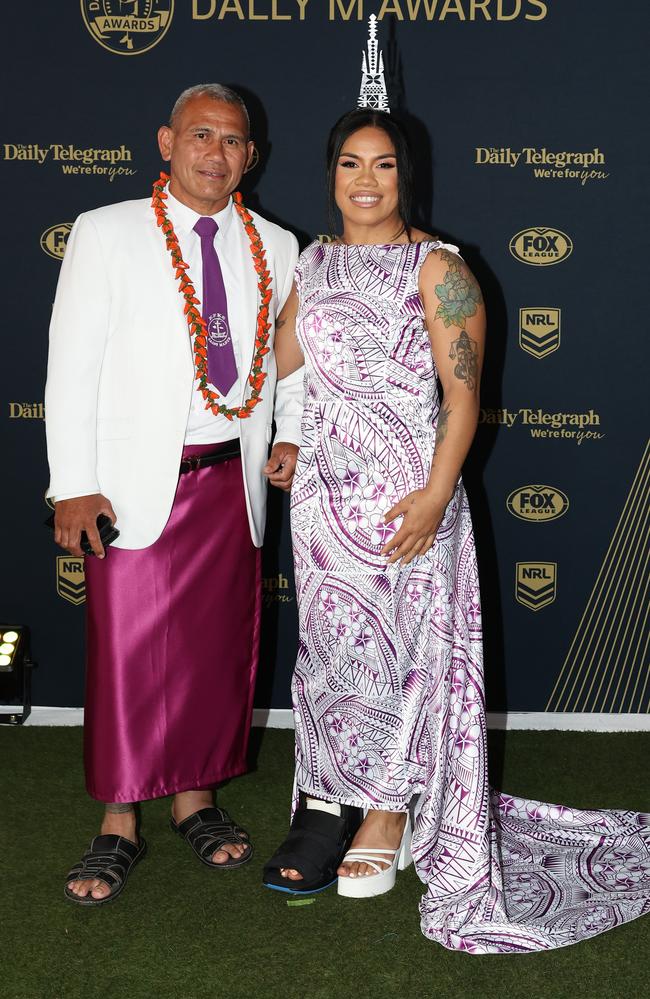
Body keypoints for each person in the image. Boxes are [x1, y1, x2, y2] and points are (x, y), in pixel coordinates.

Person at [263, 109, 650, 952]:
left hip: (409, 500)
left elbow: (464, 393)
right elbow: (275, 362)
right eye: (351, 164)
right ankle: (334, 798)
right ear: (329, 173)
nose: (367, 181)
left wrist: (438, 494)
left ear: (409, 176)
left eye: (385, 166)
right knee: (334, 653)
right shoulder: (316, 264)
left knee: (407, 657)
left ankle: (392, 813)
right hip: (324, 506)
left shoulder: (439, 269)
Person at [45, 83, 303, 905]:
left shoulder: (278, 244)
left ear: (250, 156)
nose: (214, 154)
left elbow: (286, 361)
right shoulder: (107, 232)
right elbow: (70, 367)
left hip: (231, 482)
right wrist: (73, 486)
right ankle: (119, 821)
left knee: (217, 655)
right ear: (166, 141)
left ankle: (197, 799)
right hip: (131, 489)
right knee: (127, 660)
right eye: (199, 135)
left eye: (232, 141)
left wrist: (290, 430)